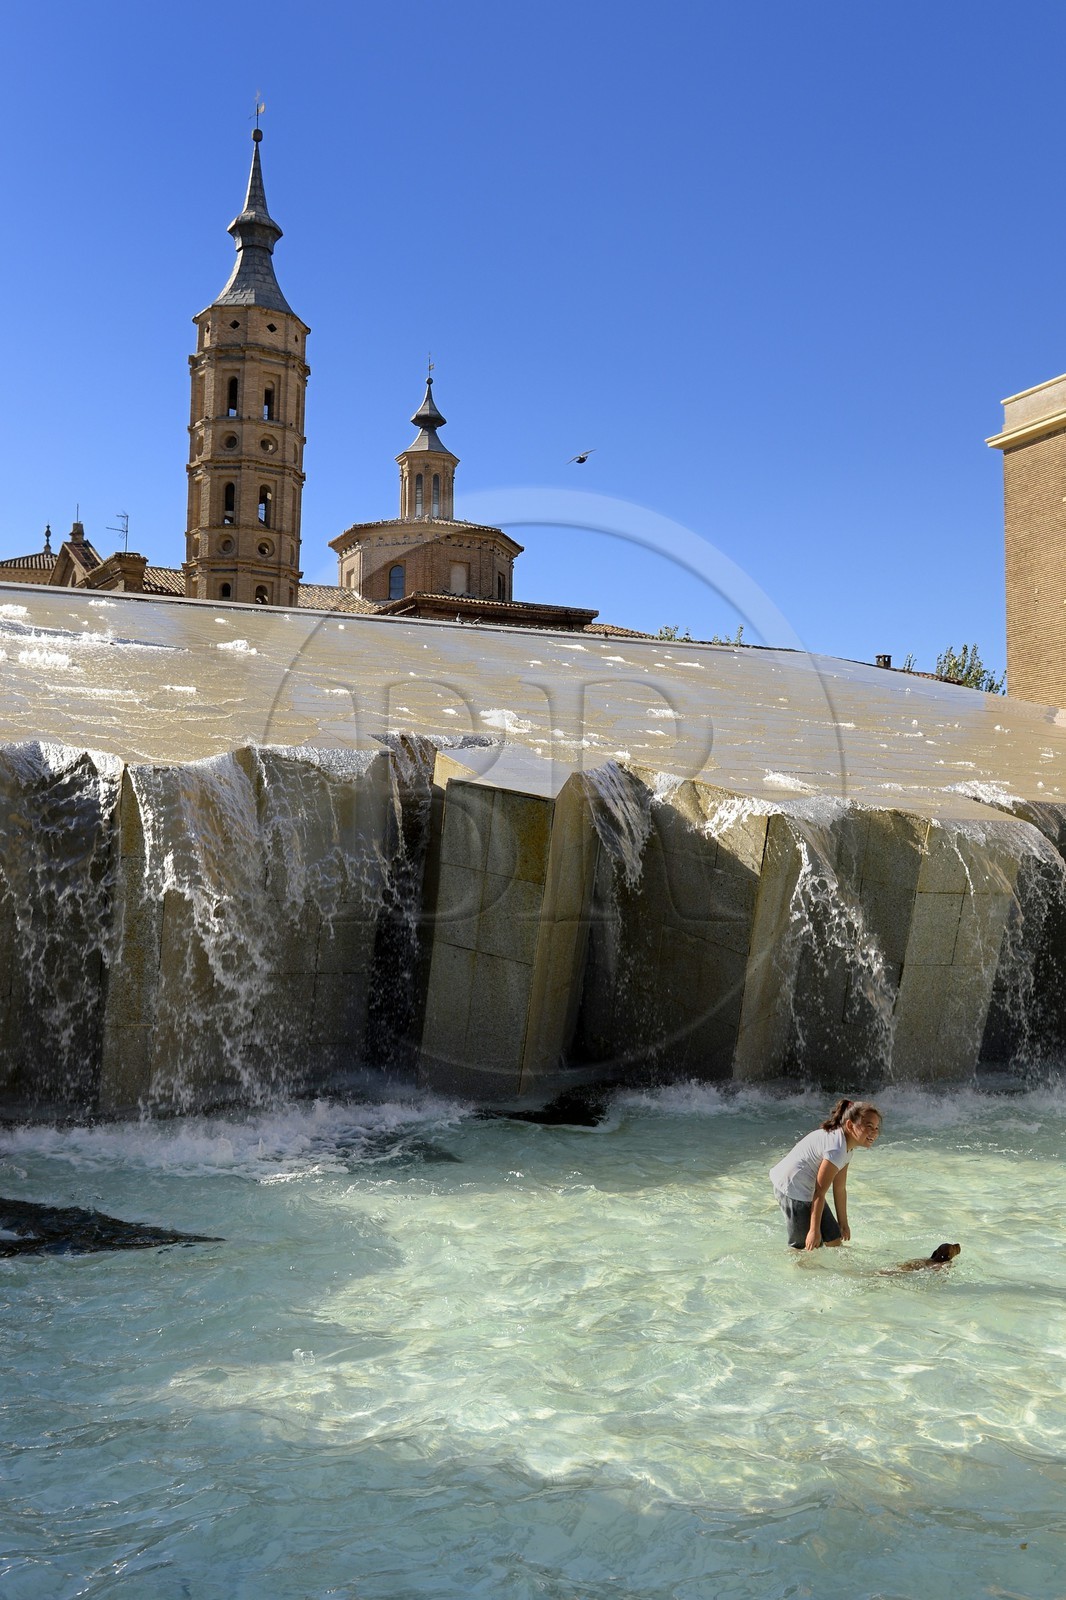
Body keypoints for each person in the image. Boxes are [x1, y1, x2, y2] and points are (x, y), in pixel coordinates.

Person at [768, 1099, 881, 1251]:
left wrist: (843, 1222)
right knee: (803, 1249)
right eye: (869, 1126)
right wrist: (814, 1231)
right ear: (849, 1125)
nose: (874, 1132)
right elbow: (820, 1192)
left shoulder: (847, 1148)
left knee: (834, 1239)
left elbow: (839, 1188)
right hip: (792, 1188)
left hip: (808, 1189)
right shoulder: (836, 1149)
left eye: (876, 1127)